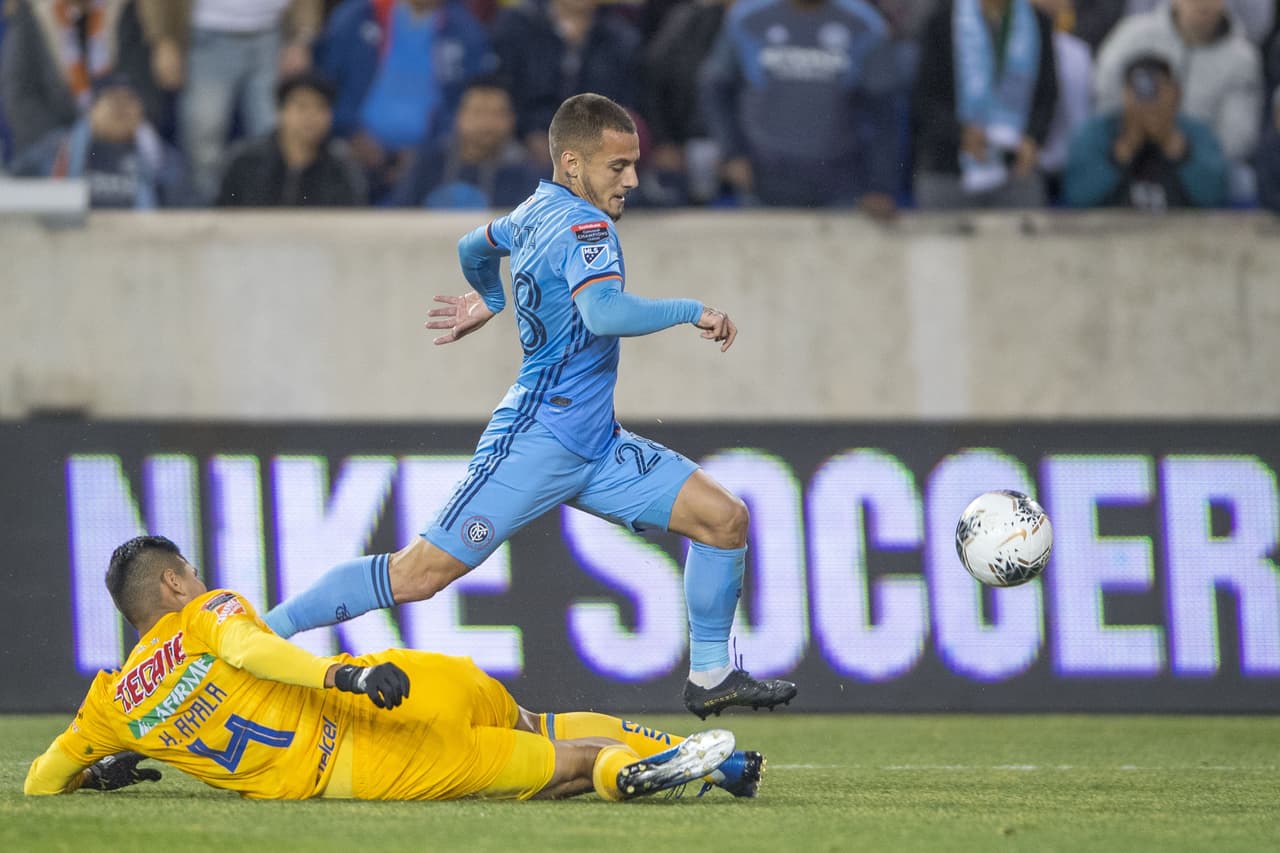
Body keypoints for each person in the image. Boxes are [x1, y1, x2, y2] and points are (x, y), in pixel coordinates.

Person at [263, 93, 798, 721]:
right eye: (616, 167)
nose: (630, 180)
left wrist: (491, 296)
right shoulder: (586, 227)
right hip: (535, 439)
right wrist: (693, 310)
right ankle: (257, 638)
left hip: (595, 445)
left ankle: (710, 674)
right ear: (573, 162)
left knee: (723, 518)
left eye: (633, 165)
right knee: (417, 575)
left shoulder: (533, 210)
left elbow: (472, 246)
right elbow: (604, 312)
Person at [25, 535, 764, 801]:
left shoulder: (111, 706)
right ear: (174, 583)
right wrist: (342, 675)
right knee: (534, 720)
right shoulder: (204, 614)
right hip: (387, 677)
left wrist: (93, 772)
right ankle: (697, 762)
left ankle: (630, 774)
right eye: (189, 568)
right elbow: (251, 648)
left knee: (562, 767)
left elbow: (38, 781)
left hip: (357, 762)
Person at [698, 0, 900, 216]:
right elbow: (715, 90)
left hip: (841, 182)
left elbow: (885, 112)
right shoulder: (746, 17)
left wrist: (880, 185)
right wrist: (732, 152)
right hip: (763, 179)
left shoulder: (865, 23)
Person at [135, 0, 325, 202]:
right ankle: (206, 217)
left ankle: (268, 213)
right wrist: (163, 40)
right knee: (203, 141)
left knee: (276, 137)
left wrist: (301, 36)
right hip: (206, 32)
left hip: (273, 32)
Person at [316, 0, 493, 202]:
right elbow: (327, 83)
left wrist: (427, 153)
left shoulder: (464, 29)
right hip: (354, 147)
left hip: (434, 156)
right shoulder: (358, 16)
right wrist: (351, 131)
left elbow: (468, 101)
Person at [1092, 0, 1263, 201]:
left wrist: (1187, 146)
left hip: (1195, 155)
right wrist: (1136, 130)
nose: (1203, 4)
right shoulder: (1133, 33)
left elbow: (1237, 139)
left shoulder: (1242, 56)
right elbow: (1102, 98)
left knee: (1243, 181)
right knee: (1095, 162)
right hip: (1131, 143)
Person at [911, 0, 1059, 209]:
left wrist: (1033, 138)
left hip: (1016, 168)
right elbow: (924, 99)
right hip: (949, 170)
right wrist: (961, 134)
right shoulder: (942, 20)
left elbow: (1047, 94)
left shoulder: (1037, 22)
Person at [490, 0, 642, 169]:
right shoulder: (518, 25)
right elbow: (502, 91)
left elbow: (624, 104)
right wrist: (531, 131)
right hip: (522, 139)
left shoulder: (620, 38)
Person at [1064, 52, 1228, 209]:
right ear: (1124, 93)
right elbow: (1079, 197)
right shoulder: (1097, 132)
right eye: (1139, 88)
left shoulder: (1197, 133)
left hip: (1184, 232)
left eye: (1157, 88)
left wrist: (1174, 146)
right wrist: (1125, 148)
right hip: (1111, 231)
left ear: (1176, 92)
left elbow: (1213, 197)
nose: (1149, 97)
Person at [12, 72, 191, 208]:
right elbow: (13, 184)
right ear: (92, 110)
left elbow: (186, 205)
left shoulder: (159, 157)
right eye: (113, 100)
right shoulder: (58, 148)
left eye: (129, 100)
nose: (122, 108)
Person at [388, 74, 544, 209]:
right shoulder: (428, 166)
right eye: (478, 112)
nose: (486, 123)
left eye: (498, 113)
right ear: (458, 118)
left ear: (512, 121)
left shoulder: (527, 177)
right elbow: (397, 217)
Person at [216, 71, 367, 207]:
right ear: (281, 112)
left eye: (321, 108)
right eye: (302, 107)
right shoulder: (246, 162)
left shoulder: (342, 169)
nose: (311, 116)